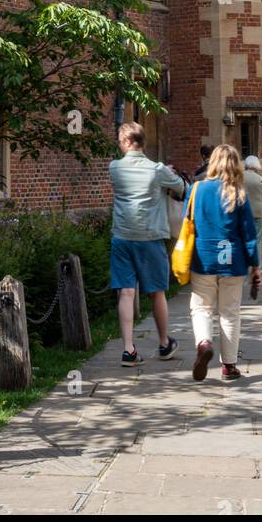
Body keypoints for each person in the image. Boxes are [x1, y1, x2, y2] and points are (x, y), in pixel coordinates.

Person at [109, 122, 185, 367]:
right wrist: (167, 176)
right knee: (156, 292)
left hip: (122, 236)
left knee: (126, 292)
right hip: (150, 237)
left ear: (128, 142)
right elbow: (181, 187)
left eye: (121, 141)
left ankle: (129, 349)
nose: (119, 145)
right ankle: (164, 343)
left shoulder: (115, 168)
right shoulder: (157, 169)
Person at [186, 145, 262, 382]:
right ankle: (229, 366)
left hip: (204, 257)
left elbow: (188, 221)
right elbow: (248, 233)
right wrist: (255, 265)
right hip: (233, 259)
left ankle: (204, 342)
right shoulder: (238, 193)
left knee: (201, 308)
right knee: (229, 313)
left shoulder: (197, 189)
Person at [243, 154, 262, 250]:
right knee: (257, 239)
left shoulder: (239, 177)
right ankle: (257, 263)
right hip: (259, 213)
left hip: (243, 212)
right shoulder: (260, 179)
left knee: (244, 237)